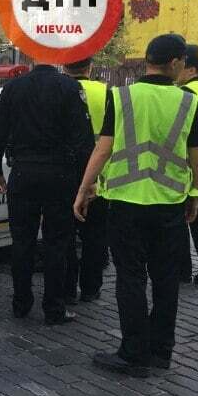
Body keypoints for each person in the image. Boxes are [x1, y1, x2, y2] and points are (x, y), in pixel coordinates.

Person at [75, 34, 198, 377]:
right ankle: (161, 351)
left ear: (147, 60)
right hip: (169, 205)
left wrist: (84, 189)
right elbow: (197, 161)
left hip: (125, 204)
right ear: (176, 62)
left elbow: (102, 149)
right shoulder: (188, 102)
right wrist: (193, 196)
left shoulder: (120, 98)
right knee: (165, 280)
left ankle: (133, 353)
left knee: (130, 278)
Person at [0, 62, 92, 324]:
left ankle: (21, 303)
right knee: (57, 243)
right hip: (60, 175)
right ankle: (54, 308)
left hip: (23, 172)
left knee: (22, 241)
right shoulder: (70, 87)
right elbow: (83, 141)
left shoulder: (12, 88)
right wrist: (84, 183)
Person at [63, 57, 110, 303]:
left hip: (67, 172)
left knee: (66, 234)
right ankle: (91, 288)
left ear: (64, 67)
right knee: (95, 235)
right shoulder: (106, 92)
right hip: (100, 176)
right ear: (89, 68)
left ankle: (68, 289)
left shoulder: (60, 91)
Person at [177, 44, 198, 284]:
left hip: (196, 165)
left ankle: (185, 269)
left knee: (189, 216)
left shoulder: (187, 95)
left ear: (189, 69)